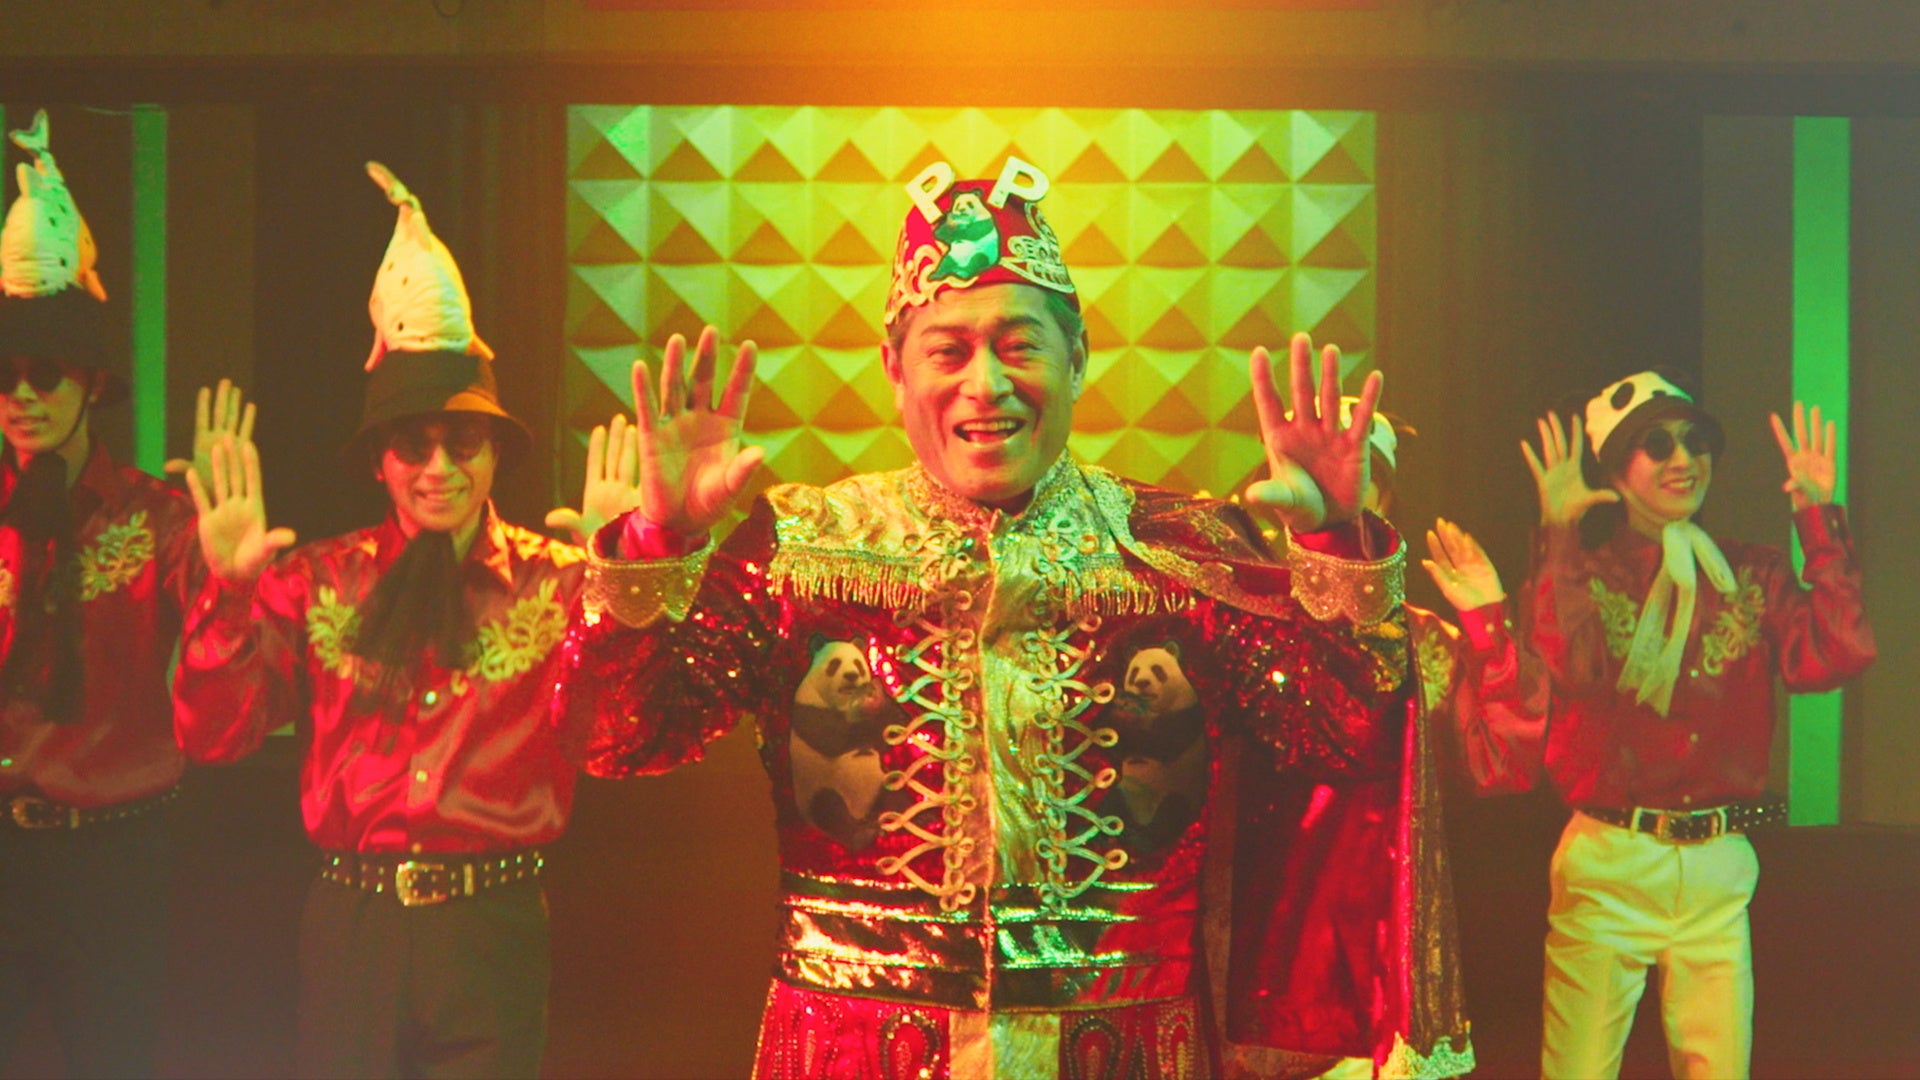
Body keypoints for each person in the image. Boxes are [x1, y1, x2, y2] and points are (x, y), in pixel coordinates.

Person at [561, 159, 1473, 1078]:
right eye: (948, 351)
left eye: (1019, 345)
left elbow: (1342, 739)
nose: (986, 384)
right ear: (894, 370)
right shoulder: (801, 551)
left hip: (1125, 1049)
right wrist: (656, 540)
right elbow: (617, 734)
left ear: (1077, 357)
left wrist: (1333, 542)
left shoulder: (1179, 553)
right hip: (854, 1050)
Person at [173, 162, 634, 1077]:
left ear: (494, 452)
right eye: (413, 446)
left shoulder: (558, 583)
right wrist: (226, 592)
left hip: (494, 923)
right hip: (356, 924)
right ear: (380, 460)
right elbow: (214, 737)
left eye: (463, 442)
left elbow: (623, 737)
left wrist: (627, 581)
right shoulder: (316, 581)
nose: (439, 469)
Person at [1520, 370, 1875, 1079]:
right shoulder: (1587, 571)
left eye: (1696, 441)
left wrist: (1818, 519)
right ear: (1615, 470)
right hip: (1612, 860)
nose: (1684, 459)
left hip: (1717, 864)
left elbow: (1836, 652)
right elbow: (1571, 670)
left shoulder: (1750, 573)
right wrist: (1559, 535)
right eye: (1658, 445)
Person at [0, 108, 249, 1079]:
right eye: (6, 375)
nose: (24, 396)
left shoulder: (157, 518)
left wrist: (231, 576)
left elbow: (226, 686)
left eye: (46, 374)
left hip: (114, 855)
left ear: (91, 382)